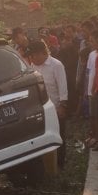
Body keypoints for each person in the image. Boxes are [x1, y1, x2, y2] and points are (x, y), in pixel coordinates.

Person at [27, 41, 68, 169]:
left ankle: (60, 164)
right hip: (40, 108)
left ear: (42, 53)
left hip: (55, 107)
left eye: (33, 55)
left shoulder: (56, 65)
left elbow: (62, 86)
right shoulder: (32, 66)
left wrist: (62, 105)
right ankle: (45, 164)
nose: (31, 59)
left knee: (58, 136)